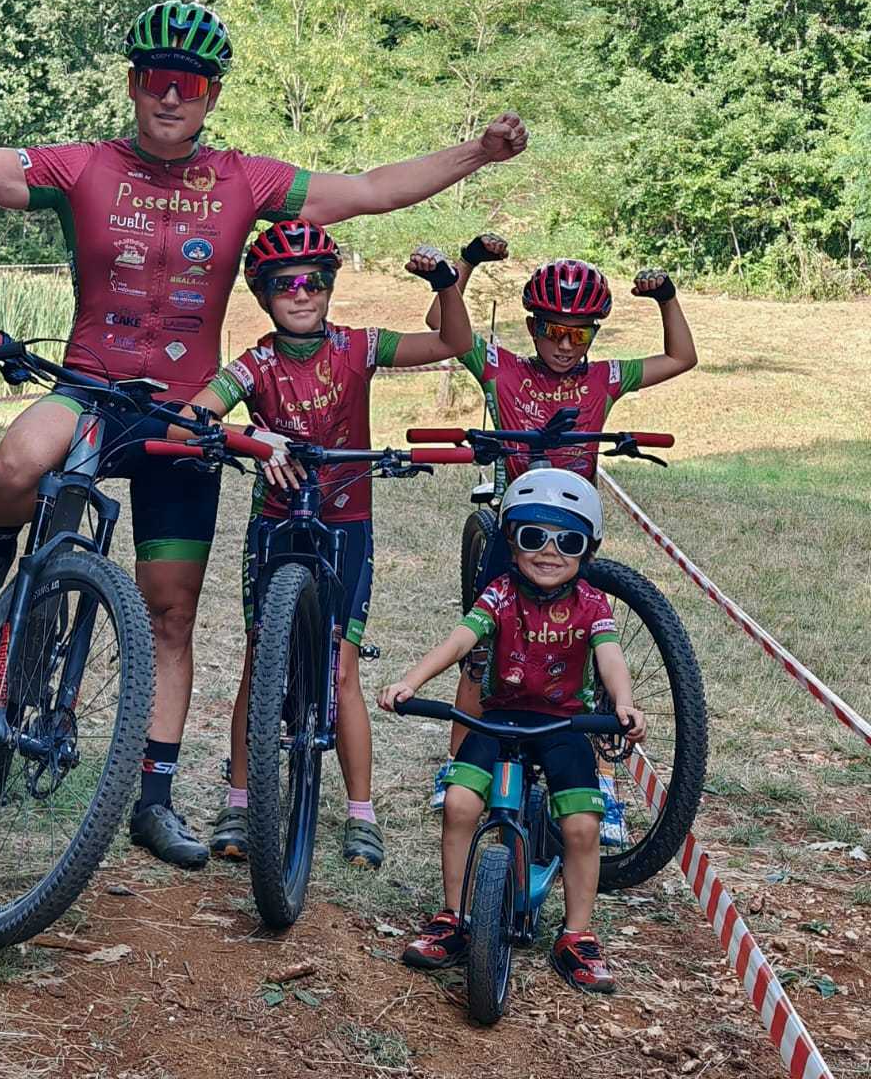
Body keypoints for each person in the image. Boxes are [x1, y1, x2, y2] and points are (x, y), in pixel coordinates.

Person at [0, 0, 529, 866]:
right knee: (17, 462)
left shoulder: (246, 181)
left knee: (171, 615)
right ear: (134, 85)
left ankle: (154, 799)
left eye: (190, 85)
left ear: (211, 96)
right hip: (91, 389)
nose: (171, 96)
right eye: (157, 80)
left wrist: (478, 153)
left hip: (186, 413)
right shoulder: (82, 166)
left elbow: (368, 189)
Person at [167, 222, 471, 868]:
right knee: (259, 661)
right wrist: (251, 435)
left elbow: (453, 342)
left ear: (330, 286)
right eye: (284, 285)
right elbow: (187, 422)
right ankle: (240, 801)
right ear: (264, 296)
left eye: (313, 281)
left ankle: (361, 812)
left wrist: (447, 283)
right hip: (276, 522)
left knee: (343, 669)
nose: (301, 294)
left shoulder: (359, 346)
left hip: (347, 521)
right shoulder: (257, 363)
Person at [422, 236, 697, 839]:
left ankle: (602, 786)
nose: (566, 345)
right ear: (532, 327)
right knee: (481, 652)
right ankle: (459, 766)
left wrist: (666, 298)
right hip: (517, 532)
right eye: (553, 330)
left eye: (580, 333)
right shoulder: (502, 368)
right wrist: (463, 264)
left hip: (574, 536)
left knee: (590, 658)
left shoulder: (603, 378)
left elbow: (681, 358)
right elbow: (442, 326)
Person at [377, 468, 646, 994]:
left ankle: (577, 935)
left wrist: (623, 703)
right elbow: (458, 641)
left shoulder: (592, 603)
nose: (549, 552)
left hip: (564, 724)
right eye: (532, 536)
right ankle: (453, 917)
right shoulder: (499, 595)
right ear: (510, 541)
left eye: (568, 541)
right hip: (497, 719)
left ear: (588, 550)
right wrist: (410, 682)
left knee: (582, 826)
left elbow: (610, 656)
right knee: (459, 804)